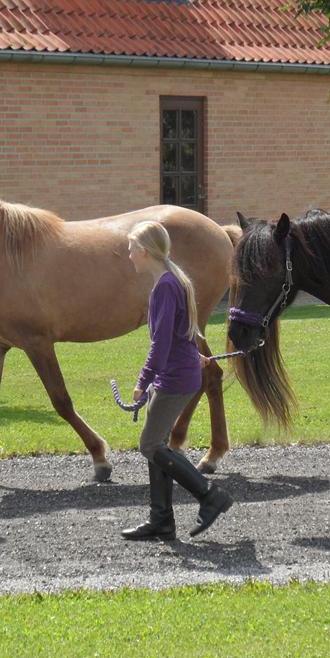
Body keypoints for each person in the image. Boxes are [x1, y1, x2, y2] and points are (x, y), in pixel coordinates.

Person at [121, 220, 233, 541]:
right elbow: (187, 330)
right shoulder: (174, 281)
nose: (129, 255)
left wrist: (144, 379)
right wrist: (193, 356)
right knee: (156, 444)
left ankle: (210, 496)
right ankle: (161, 521)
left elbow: (162, 342)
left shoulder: (166, 286)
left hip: (174, 379)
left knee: (150, 445)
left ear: (144, 252)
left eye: (131, 249)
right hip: (180, 373)